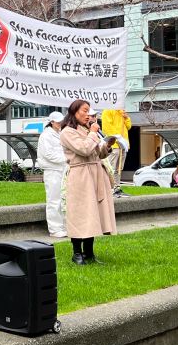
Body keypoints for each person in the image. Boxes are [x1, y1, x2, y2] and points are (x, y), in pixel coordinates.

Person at [60, 100, 117, 265]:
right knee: (80, 213)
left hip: (95, 173)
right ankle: (77, 253)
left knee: (92, 213)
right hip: (81, 175)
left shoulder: (87, 130)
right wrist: (93, 133)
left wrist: (107, 146)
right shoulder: (67, 132)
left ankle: (89, 253)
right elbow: (84, 149)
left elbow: (98, 154)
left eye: (89, 111)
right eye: (84, 111)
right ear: (74, 111)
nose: (88, 115)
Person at [36, 111, 67, 239]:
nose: (60, 123)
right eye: (58, 121)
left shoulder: (59, 133)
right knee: (54, 200)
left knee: (63, 199)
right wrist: (67, 159)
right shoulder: (46, 136)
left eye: (61, 121)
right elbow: (48, 154)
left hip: (61, 169)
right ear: (52, 122)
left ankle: (63, 226)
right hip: (52, 170)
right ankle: (55, 229)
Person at [101, 108, 132, 198]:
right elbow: (107, 128)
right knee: (111, 168)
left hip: (123, 145)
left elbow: (129, 126)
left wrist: (126, 118)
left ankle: (117, 187)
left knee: (119, 169)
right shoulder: (108, 110)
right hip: (114, 145)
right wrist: (118, 139)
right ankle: (110, 188)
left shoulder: (121, 112)